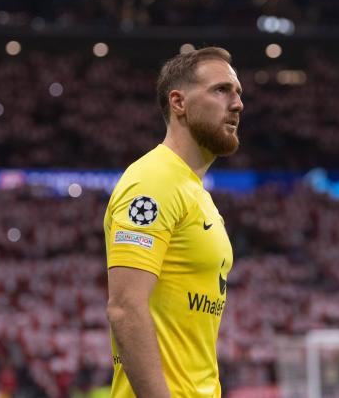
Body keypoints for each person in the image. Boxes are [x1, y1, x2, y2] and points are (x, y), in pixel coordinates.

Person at [103, 46, 244, 397]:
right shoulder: (153, 180)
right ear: (179, 102)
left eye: (238, 92)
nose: (238, 103)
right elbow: (125, 308)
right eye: (221, 90)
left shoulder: (197, 194)